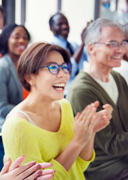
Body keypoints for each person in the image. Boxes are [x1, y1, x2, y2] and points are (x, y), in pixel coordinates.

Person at [2, 42, 113, 180]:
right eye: (53, 67)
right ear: (30, 77)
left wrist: (90, 131)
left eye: (64, 67)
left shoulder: (64, 106)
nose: (63, 75)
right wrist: (77, 141)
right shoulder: (17, 126)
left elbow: (78, 166)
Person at [67, 18, 128, 180]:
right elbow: (112, 146)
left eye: (123, 43)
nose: (121, 50)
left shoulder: (117, 78)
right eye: (113, 44)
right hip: (104, 168)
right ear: (92, 48)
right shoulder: (82, 90)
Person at [0, 23, 30, 131]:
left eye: (25, 38)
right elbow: (1, 108)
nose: (22, 41)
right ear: (6, 39)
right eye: (17, 37)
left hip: (27, 123)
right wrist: (33, 112)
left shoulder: (28, 66)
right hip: (5, 127)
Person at [49, 12, 89, 95]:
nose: (65, 26)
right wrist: (82, 44)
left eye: (66, 24)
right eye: (60, 24)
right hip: (64, 93)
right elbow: (68, 70)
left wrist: (91, 37)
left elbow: (92, 59)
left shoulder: (74, 45)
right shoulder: (51, 49)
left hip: (81, 90)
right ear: (51, 28)